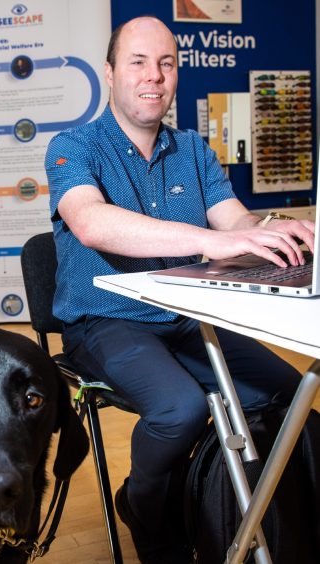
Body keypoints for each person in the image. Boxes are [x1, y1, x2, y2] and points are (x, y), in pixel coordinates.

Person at [44, 16, 315, 564]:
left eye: (166, 64)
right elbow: (92, 223)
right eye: (139, 62)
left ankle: (266, 513)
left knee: (292, 393)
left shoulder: (192, 148)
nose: (154, 76)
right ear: (110, 72)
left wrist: (269, 232)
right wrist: (206, 242)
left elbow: (232, 219)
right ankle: (144, 505)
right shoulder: (72, 146)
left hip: (187, 318)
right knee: (180, 409)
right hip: (104, 321)